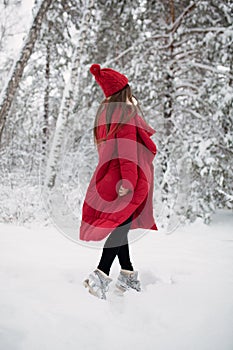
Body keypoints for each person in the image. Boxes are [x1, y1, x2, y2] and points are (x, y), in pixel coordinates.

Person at [80, 64, 158, 300]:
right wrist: (128, 182)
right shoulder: (124, 113)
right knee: (120, 227)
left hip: (113, 178)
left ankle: (128, 274)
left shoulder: (107, 113)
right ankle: (101, 275)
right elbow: (126, 151)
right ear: (123, 91)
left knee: (121, 227)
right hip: (127, 180)